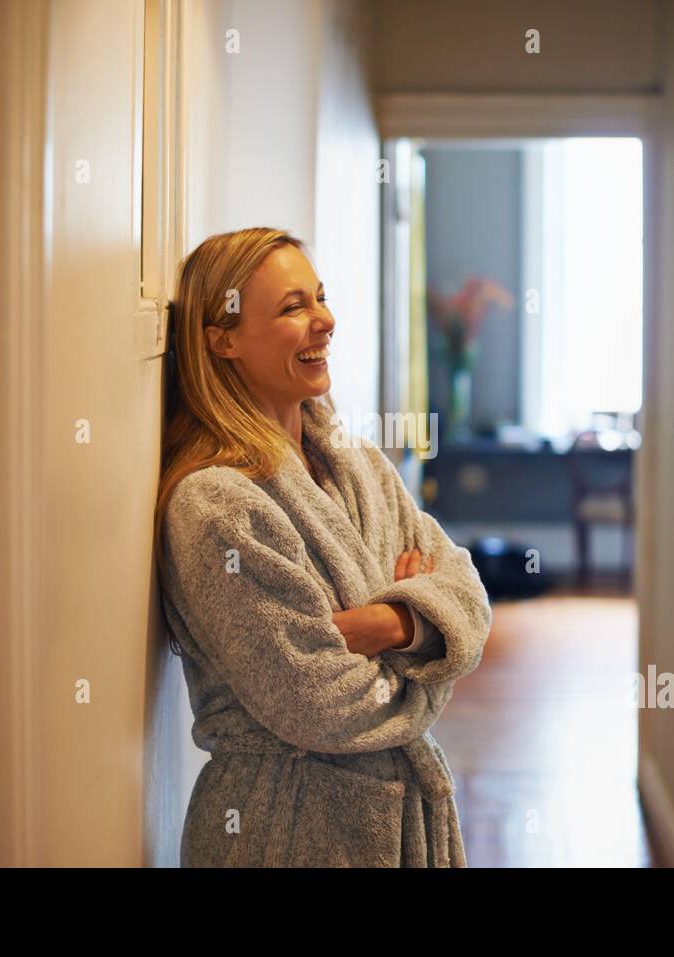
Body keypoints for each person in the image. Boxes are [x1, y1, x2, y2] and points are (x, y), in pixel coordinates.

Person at [154, 226, 492, 867]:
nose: (325, 321)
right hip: (281, 827)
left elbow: (467, 596)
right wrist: (429, 640)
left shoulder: (357, 465)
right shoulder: (216, 503)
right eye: (293, 308)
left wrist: (391, 623)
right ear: (221, 339)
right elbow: (322, 704)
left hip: (392, 816)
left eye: (321, 298)